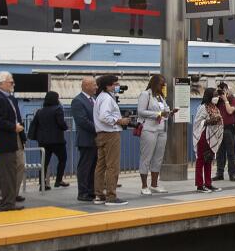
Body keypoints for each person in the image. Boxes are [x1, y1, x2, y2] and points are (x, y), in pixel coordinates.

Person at [0, 71, 26, 212]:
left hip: (3, 141)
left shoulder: (5, 98)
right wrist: (14, 127)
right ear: (0, 84)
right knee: (8, 173)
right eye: (11, 82)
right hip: (4, 141)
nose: (13, 84)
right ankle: (8, 203)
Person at [93, 74, 130, 205]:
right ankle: (111, 196)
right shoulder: (107, 99)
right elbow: (104, 116)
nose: (117, 86)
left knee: (101, 166)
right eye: (115, 84)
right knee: (112, 166)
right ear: (108, 85)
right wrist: (120, 120)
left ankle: (99, 195)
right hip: (111, 134)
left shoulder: (100, 97)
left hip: (101, 134)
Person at [136, 74, 174, 195]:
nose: (162, 86)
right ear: (154, 83)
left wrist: (170, 112)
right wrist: (158, 114)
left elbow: (165, 110)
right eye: (161, 84)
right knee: (146, 157)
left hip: (161, 129)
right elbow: (141, 111)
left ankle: (154, 184)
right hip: (149, 129)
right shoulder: (145, 95)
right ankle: (144, 186)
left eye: (163, 84)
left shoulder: (160, 97)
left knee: (158, 158)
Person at [28, 91, 69, 189]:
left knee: (44, 163)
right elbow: (61, 123)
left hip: (43, 141)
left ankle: (42, 184)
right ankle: (58, 180)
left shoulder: (40, 111)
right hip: (57, 141)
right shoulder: (58, 109)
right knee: (62, 159)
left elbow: (35, 125)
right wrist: (65, 126)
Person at [71, 77, 99, 203]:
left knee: (93, 167)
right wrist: (98, 128)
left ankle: (91, 190)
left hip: (95, 139)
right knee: (85, 167)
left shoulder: (93, 99)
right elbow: (82, 121)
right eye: (94, 85)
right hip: (86, 139)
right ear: (86, 86)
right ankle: (83, 192)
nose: (96, 87)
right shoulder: (78, 101)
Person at [192, 88, 224, 193]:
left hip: (212, 137)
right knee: (201, 160)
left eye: (217, 95)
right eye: (215, 95)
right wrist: (209, 121)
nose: (217, 97)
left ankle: (208, 184)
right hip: (203, 137)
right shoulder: (203, 107)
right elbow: (198, 122)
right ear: (209, 96)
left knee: (209, 160)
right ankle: (200, 185)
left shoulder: (215, 107)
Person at [213, 81, 235, 181]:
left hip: (229, 129)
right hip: (218, 129)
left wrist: (225, 99)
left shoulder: (233, 99)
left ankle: (232, 174)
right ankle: (219, 173)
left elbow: (230, 111)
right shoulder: (217, 101)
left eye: (222, 90)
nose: (221, 93)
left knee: (230, 153)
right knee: (219, 153)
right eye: (219, 91)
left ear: (227, 90)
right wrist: (216, 97)